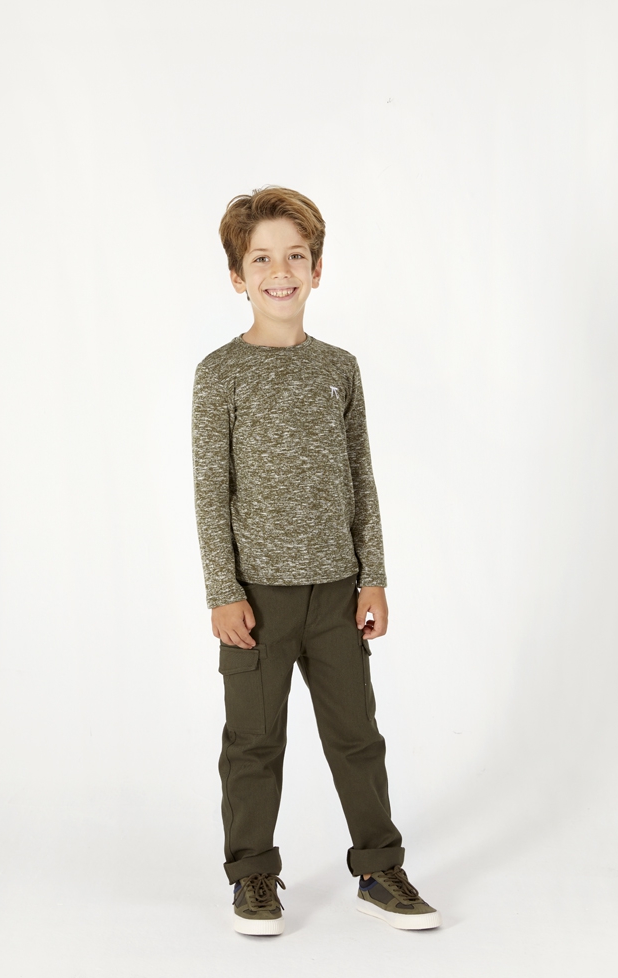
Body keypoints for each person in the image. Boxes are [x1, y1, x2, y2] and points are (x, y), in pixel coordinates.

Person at [191, 186, 440, 935]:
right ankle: (253, 876)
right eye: (261, 259)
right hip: (256, 601)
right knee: (253, 743)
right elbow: (210, 491)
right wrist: (222, 591)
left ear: (317, 269)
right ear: (237, 276)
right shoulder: (219, 374)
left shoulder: (340, 368)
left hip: (337, 593)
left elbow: (361, 477)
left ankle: (379, 868)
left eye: (295, 257)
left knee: (357, 737)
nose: (280, 273)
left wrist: (374, 576)